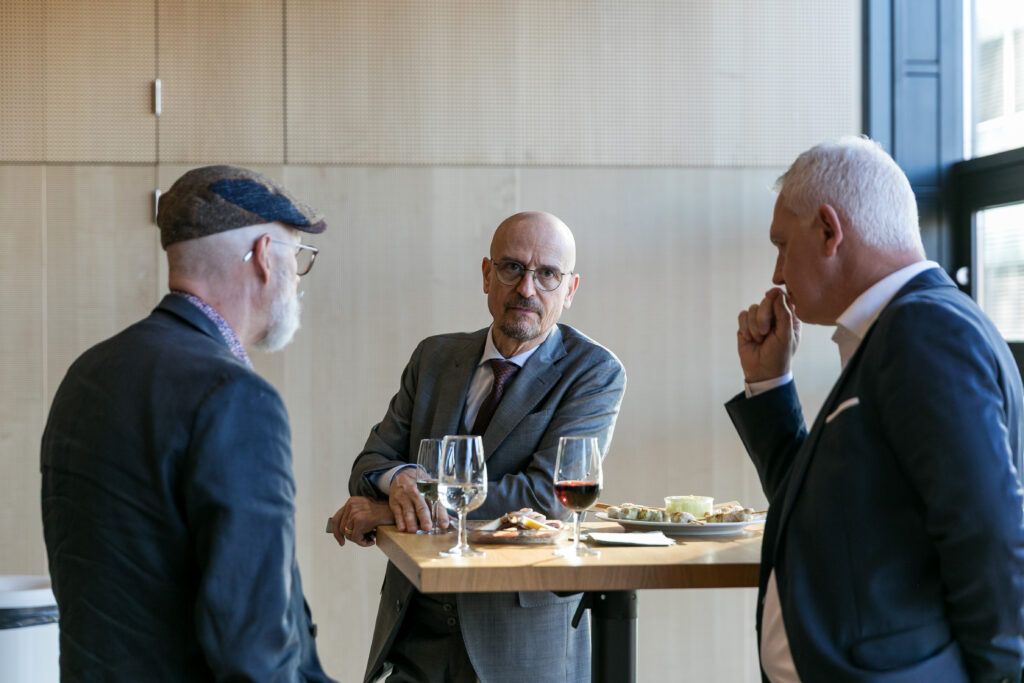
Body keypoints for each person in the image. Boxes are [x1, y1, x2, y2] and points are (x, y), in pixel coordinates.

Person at [725, 136, 1024, 681]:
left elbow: (987, 533)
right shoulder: (898, 331)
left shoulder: (925, 329)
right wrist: (769, 385)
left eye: (782, 245)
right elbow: (817, 509)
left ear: (828, 230)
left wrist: (996, 675)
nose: (777, 273)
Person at [41, 165, 335, 682]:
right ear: (265, 256)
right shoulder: (236, 398)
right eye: (298, 257)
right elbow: (252, 649)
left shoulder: (88, 372)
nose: (297, 279)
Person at [330, 211, 626, 683]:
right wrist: (399, 479)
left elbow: (547, 497)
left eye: (547, 274)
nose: (527, 288)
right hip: (415, 636)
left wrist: (394, 510)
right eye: (512, 268)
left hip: (519, 644)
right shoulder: (433, 357)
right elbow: (371, 464)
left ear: (569, 290)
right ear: (487, 275)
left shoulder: (594, 372)